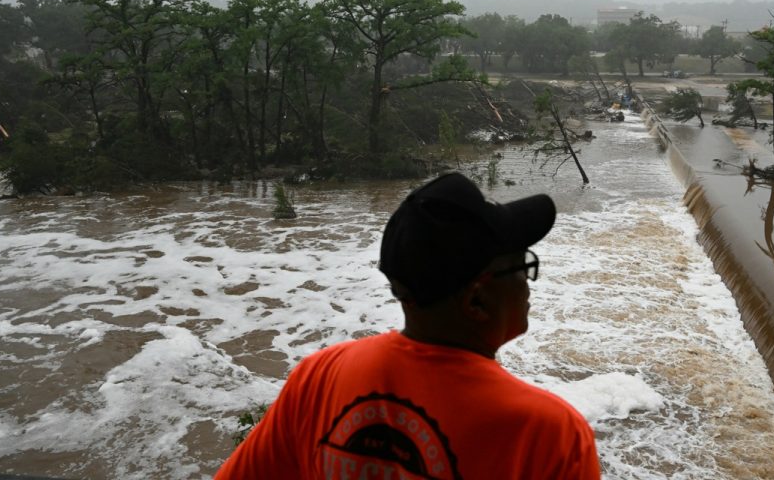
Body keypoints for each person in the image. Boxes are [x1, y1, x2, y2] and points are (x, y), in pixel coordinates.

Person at [216, 172, 600, 479]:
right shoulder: (548, 434)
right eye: (523, 266)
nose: (528, 285)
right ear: (476, 301)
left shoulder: (320, 377)